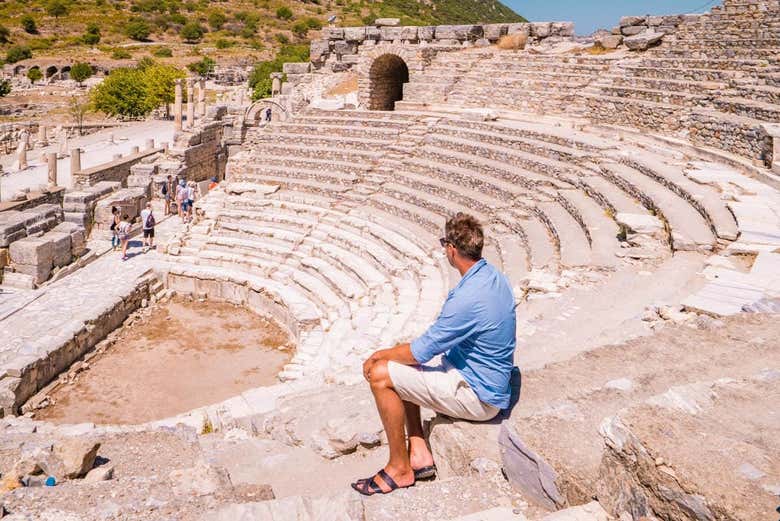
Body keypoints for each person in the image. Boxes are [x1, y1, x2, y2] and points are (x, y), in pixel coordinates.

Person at [352, 213, 517, 496]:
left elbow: (422, 351)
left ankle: (399, 469)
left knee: (381, 375)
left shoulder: (468, 298)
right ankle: (418, 451)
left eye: (444, 244)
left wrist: (378, 355)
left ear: (451, 249)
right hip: (482, 379)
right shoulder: (492, 276)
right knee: (400, 362)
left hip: (477, 396)